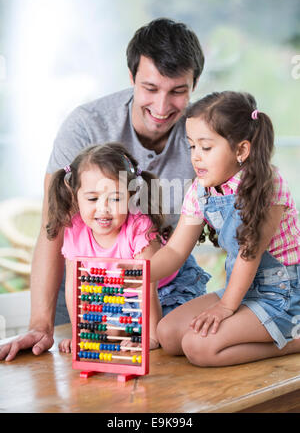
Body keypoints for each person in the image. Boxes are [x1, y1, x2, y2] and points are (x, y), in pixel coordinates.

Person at [0, 18, 206, 361]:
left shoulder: (204, 137)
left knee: (174, 363)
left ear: (194, 85)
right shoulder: (86, 126)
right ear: (131, 78)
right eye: (150, 88)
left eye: (177, 91)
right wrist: (41, 325)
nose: (161, 106)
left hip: (166, 288)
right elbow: (53, 228)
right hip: (89, 291)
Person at [148, 90, 300, 367]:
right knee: (168, 335)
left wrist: (226, 307)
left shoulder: (267, 186)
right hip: (240, 287)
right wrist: (138, 272)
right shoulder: (201, 189)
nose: (196, 157)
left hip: (283, 293)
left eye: (206, 147)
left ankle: (294, 339)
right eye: (191, 146)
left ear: (241, 150)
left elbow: (248, 255)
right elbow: (175, 251)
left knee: (199, 348)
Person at [46, 142, 209, 351]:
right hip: (118, 298)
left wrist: (150, 337)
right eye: (93, 198)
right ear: (75, 195)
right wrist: (80, 333)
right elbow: (73, 287)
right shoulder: (74, 230)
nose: (103, 209)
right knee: (109, 332)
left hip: (163, 291)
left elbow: (147, 285)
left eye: (115, 198)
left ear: (130, 197)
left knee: (173, 332)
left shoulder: (139, 228)